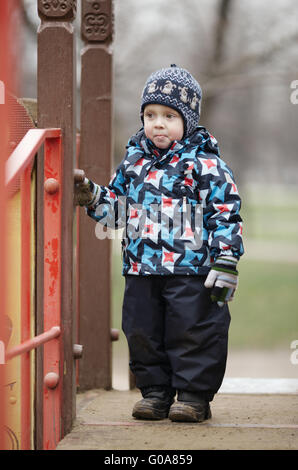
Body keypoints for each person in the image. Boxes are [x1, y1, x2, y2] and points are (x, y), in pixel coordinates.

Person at [74, 65, 244, 423]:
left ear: (189, 120)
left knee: (193, 330)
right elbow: (117, 213)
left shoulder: (206, 165)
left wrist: (226, 259)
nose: (158, 123)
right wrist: (92, 198)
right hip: (141, 268)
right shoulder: (133, 163)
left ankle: (194, 396)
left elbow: (225, 213)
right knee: (143, 331)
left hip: (193, 270)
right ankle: (155, 393)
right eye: (150, 115)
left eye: (169, 115)